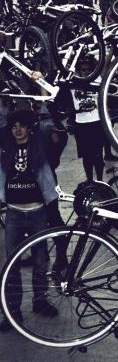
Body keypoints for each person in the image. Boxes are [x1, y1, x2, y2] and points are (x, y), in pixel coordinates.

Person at [0, 109, 59, 330]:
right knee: (11, 264)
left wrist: (43, 93)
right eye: (14, 125)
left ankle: (40, 300)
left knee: (40, 259)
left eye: (22, 125)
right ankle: (12, 311)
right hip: (14, 212)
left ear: (28, 127)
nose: (17, 129)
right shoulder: (5, 146)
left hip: (37, 211)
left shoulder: (39, 144)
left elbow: (48, 124)